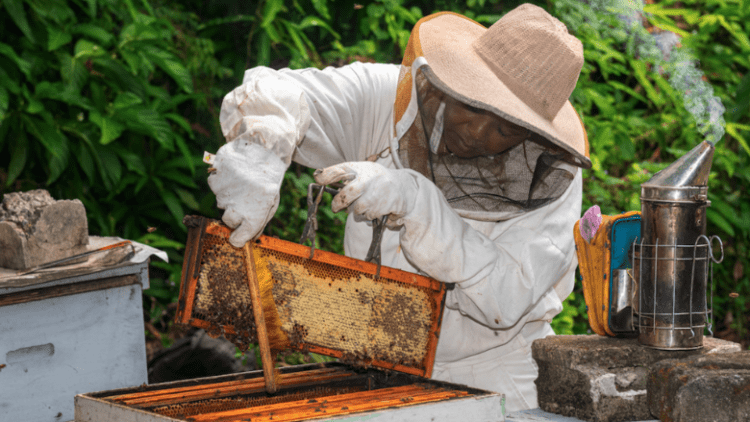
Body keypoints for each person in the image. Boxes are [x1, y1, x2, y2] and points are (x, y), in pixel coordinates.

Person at [206, 3, 590, 412]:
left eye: (504, 128)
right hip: (370, 364)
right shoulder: (388, 99)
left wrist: (415, 201)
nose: (477, 132)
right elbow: (281, 93)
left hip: (492, 379)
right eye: (474, 105)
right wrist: (264, 147)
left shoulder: (550, 176)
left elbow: (505, 299)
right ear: (455, 80)